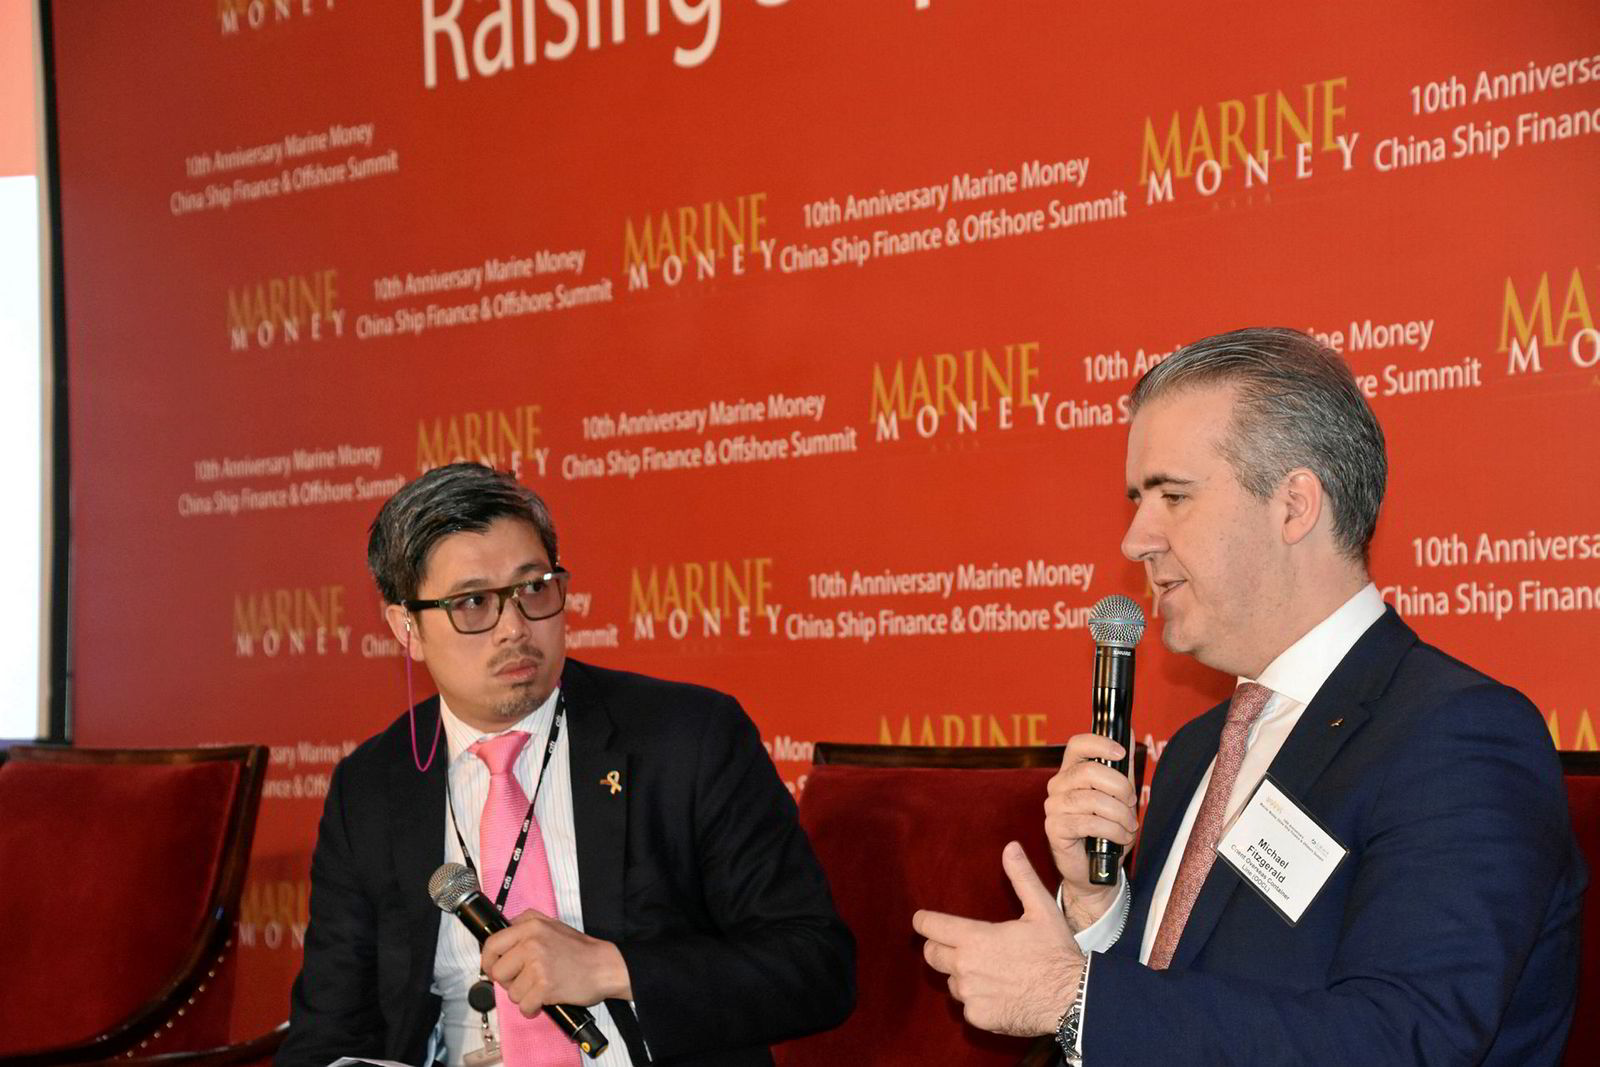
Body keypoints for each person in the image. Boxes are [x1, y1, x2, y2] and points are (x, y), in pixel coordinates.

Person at [914, 327, 1585, 1064]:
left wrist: (1072, 997)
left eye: (1173, 495)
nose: (1136, 539)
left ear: (1294, 505)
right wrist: (1100, 909)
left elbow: (1406, 1040)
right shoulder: (1199, 749)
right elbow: (1193, 994)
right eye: (1138, 499)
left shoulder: (1457, 736)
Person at [278, 462, 854, 1067]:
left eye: (534, 589)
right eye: (473, 602)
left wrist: (612, 969)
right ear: (407, 628)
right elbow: (329, 1035)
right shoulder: (373, 786)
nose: (514, 628)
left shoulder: (686, 738)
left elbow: (815, 967)